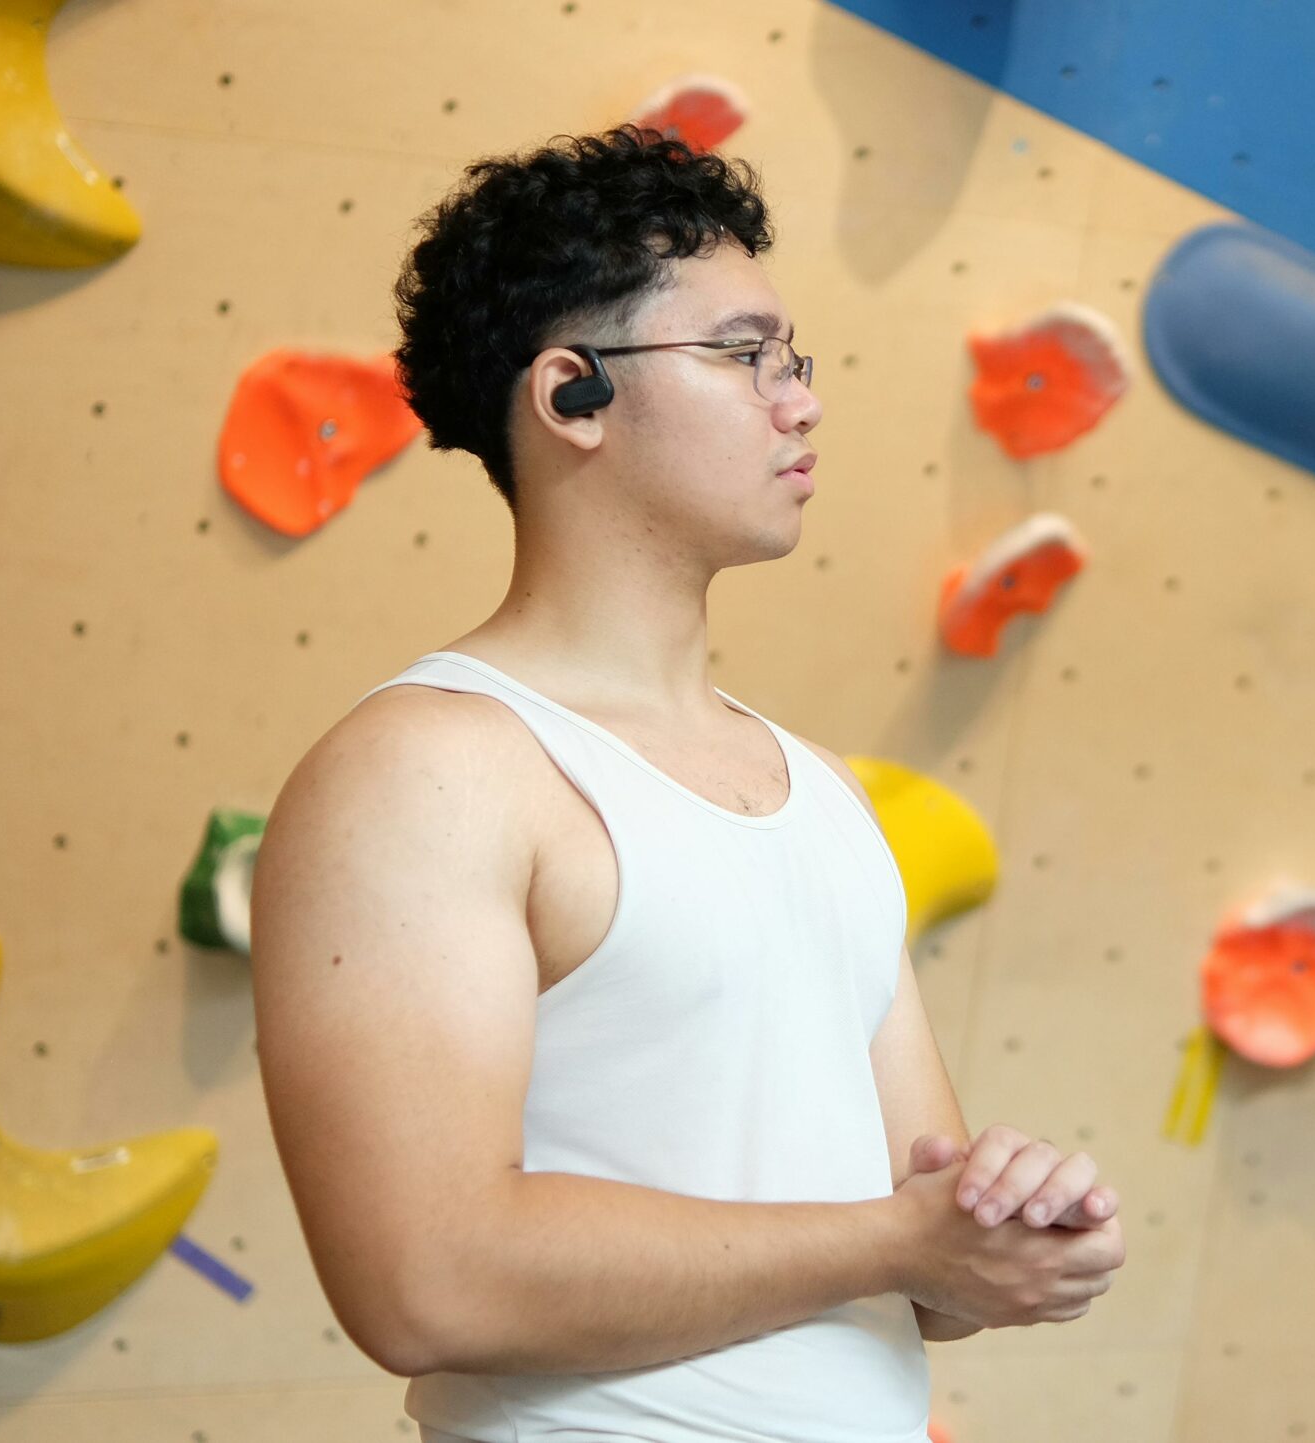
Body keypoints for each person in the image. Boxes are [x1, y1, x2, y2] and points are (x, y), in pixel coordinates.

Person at [249, 128, 1126, 1443]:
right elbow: (425, 1283)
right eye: (743, 355)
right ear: (571, 397)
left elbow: (917, 1244)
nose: (802, 400)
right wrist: (898, 1239)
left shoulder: (823, 793)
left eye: (797, 360)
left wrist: (1005, 1227)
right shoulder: (427, 770)